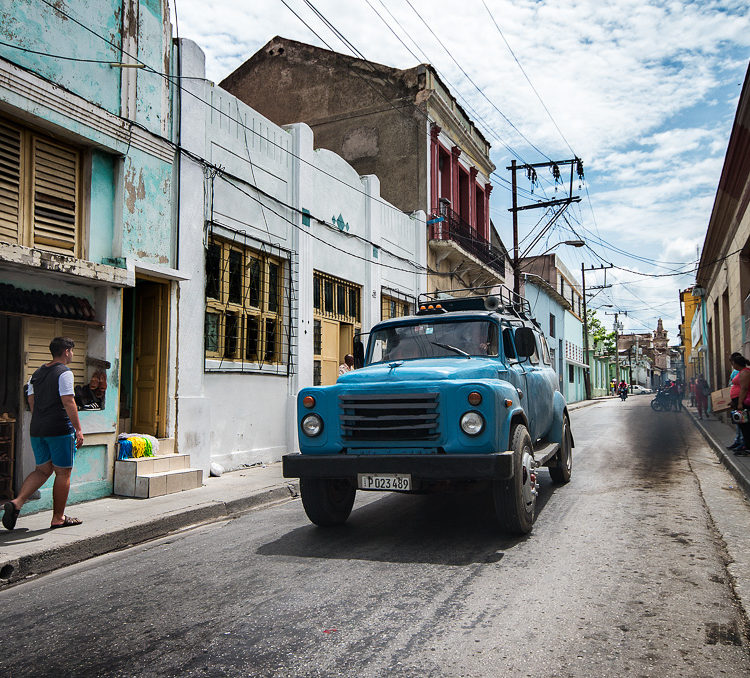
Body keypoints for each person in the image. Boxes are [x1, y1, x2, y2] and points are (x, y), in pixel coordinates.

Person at [2, 337, 84, 531]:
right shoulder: (64, 372)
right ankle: (58, 517)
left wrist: (42, 417)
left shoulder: (36, 374)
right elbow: (68, 401)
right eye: (72, 351)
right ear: (66, 351)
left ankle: (17, 503)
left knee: (42, 470)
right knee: (63, 472)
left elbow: (31, 401)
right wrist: (78, 429)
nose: (72, 355)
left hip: (37, 429)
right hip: (59, 429)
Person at [728, 353, 750, 455]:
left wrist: (740, 402)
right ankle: (744, 444)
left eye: (733, 363)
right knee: (741, 425)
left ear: (737, 364)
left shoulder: (745, 373)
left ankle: (747, 446)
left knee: (745, 425)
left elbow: (744, 388)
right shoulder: (741, 372)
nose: (732, 365)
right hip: (738, 401)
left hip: (743, 402)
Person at [726, 366, 745, 451]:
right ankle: (738, 441)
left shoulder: (743, 373)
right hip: (736, 401)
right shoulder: (736, 372)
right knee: (738, 422)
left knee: (742, 422)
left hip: (740, 401)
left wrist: (740, 402)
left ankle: (742, 442)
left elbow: (743, 388)